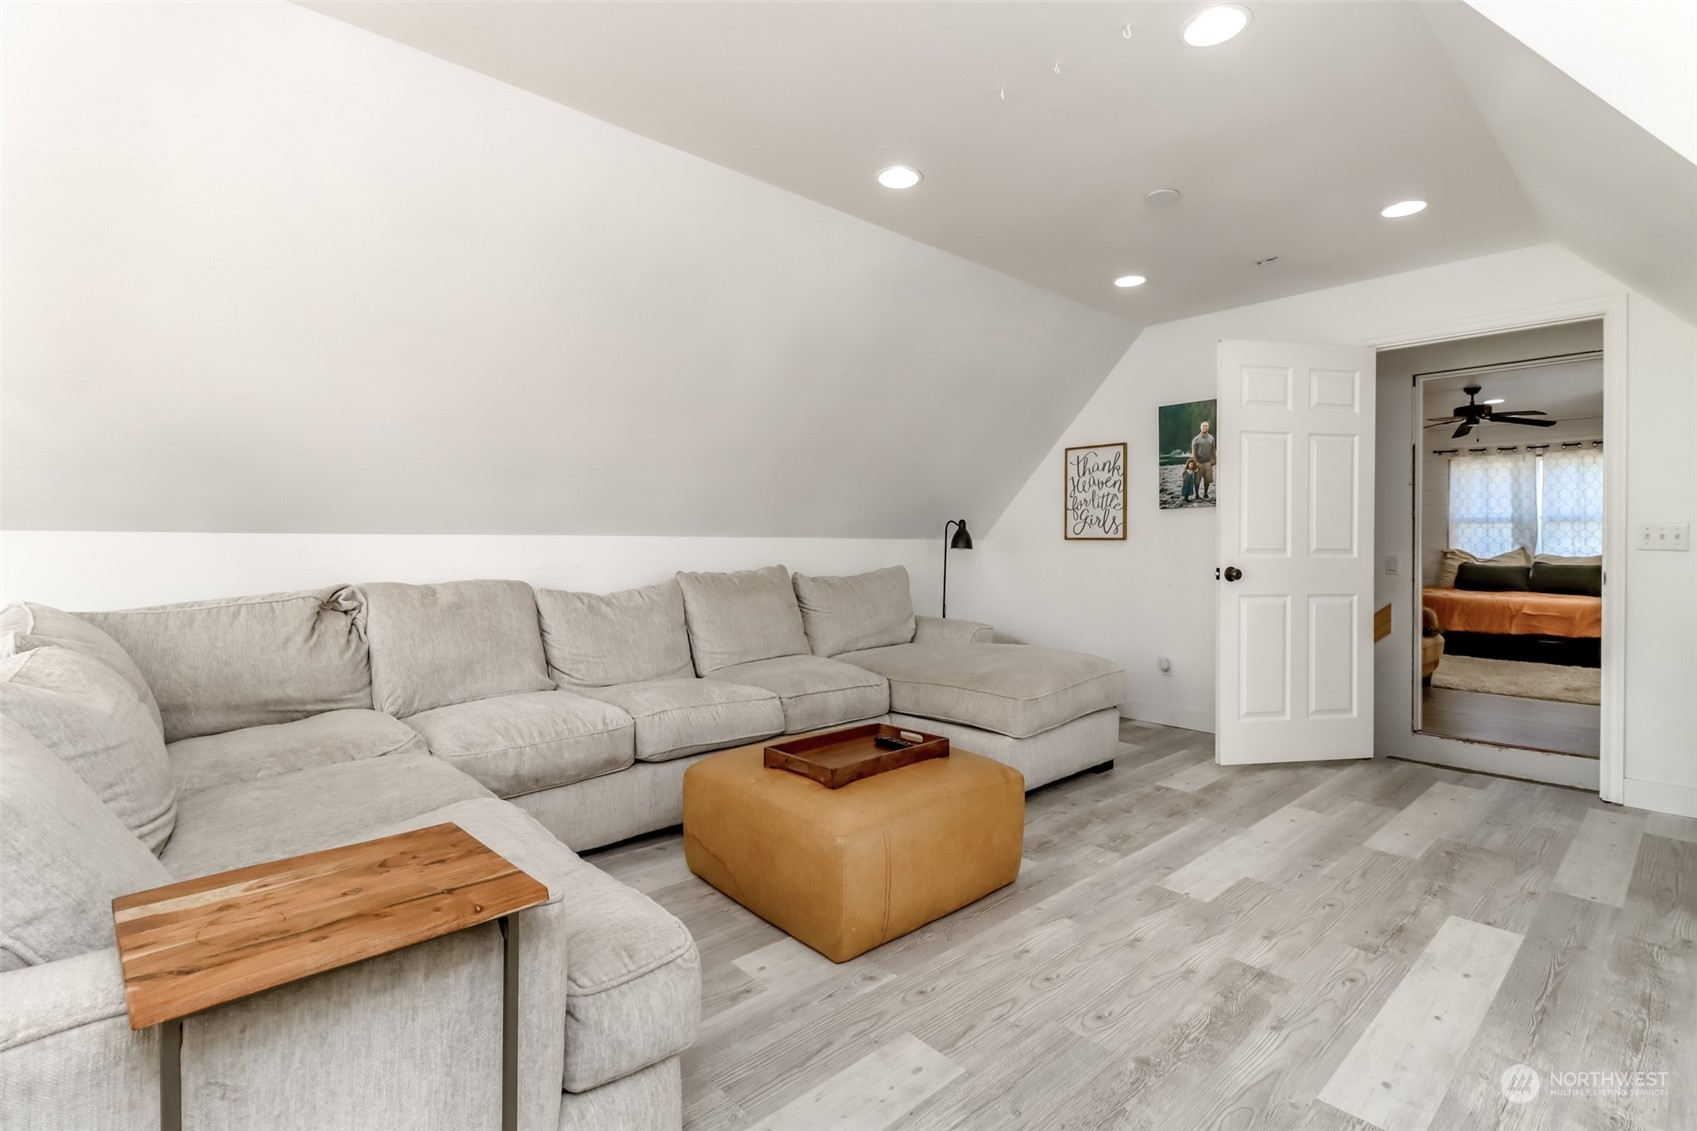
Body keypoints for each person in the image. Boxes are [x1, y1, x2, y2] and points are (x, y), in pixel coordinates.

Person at [1190, 421, 1217, 500]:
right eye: (1203, 426)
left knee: (1207, 480)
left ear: (1208, 428)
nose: (1204, 427)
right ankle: (1197, 495)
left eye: (1206, 426)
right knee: (1197, 480)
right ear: (1200, 428)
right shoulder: (1196, 439)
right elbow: (1194, 453)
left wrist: (1214, 459)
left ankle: (1205, 493)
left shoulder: (1211, 438)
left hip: (1208, 462)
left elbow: (1213, 449)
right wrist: (1196, 462)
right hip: (1199, 463)